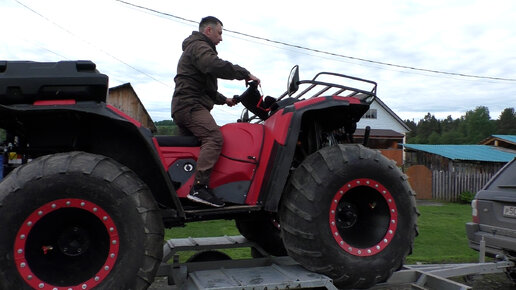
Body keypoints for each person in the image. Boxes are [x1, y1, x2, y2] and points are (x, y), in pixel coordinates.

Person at [172, 16, 260, 207]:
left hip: (184, 105)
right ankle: (199, 188)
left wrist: (224, 100)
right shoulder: (199, 47)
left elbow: (207, 89)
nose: (221, 38)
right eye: (220, 33)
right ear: (208, 31)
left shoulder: (195, 49)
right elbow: (213, 65)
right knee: (214, 138)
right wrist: (244, 73)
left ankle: (184, 193)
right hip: (191, 106)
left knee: (193, 150)